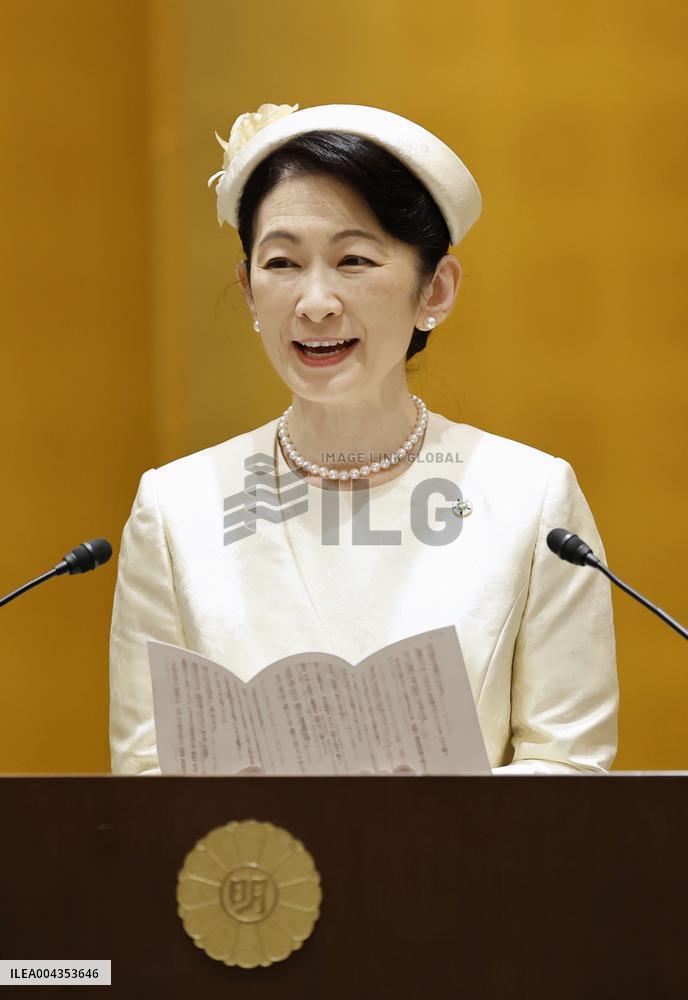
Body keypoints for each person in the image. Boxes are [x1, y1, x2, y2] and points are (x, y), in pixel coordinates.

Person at [109, 102, 618, 776]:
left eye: (353, 260)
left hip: (461, 881)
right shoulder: (176, 509)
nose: (315, 301)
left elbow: (569, 769)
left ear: (434, 290)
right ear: (249, 291)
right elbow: (146, 778)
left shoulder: (529, 500)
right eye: (282, 264)